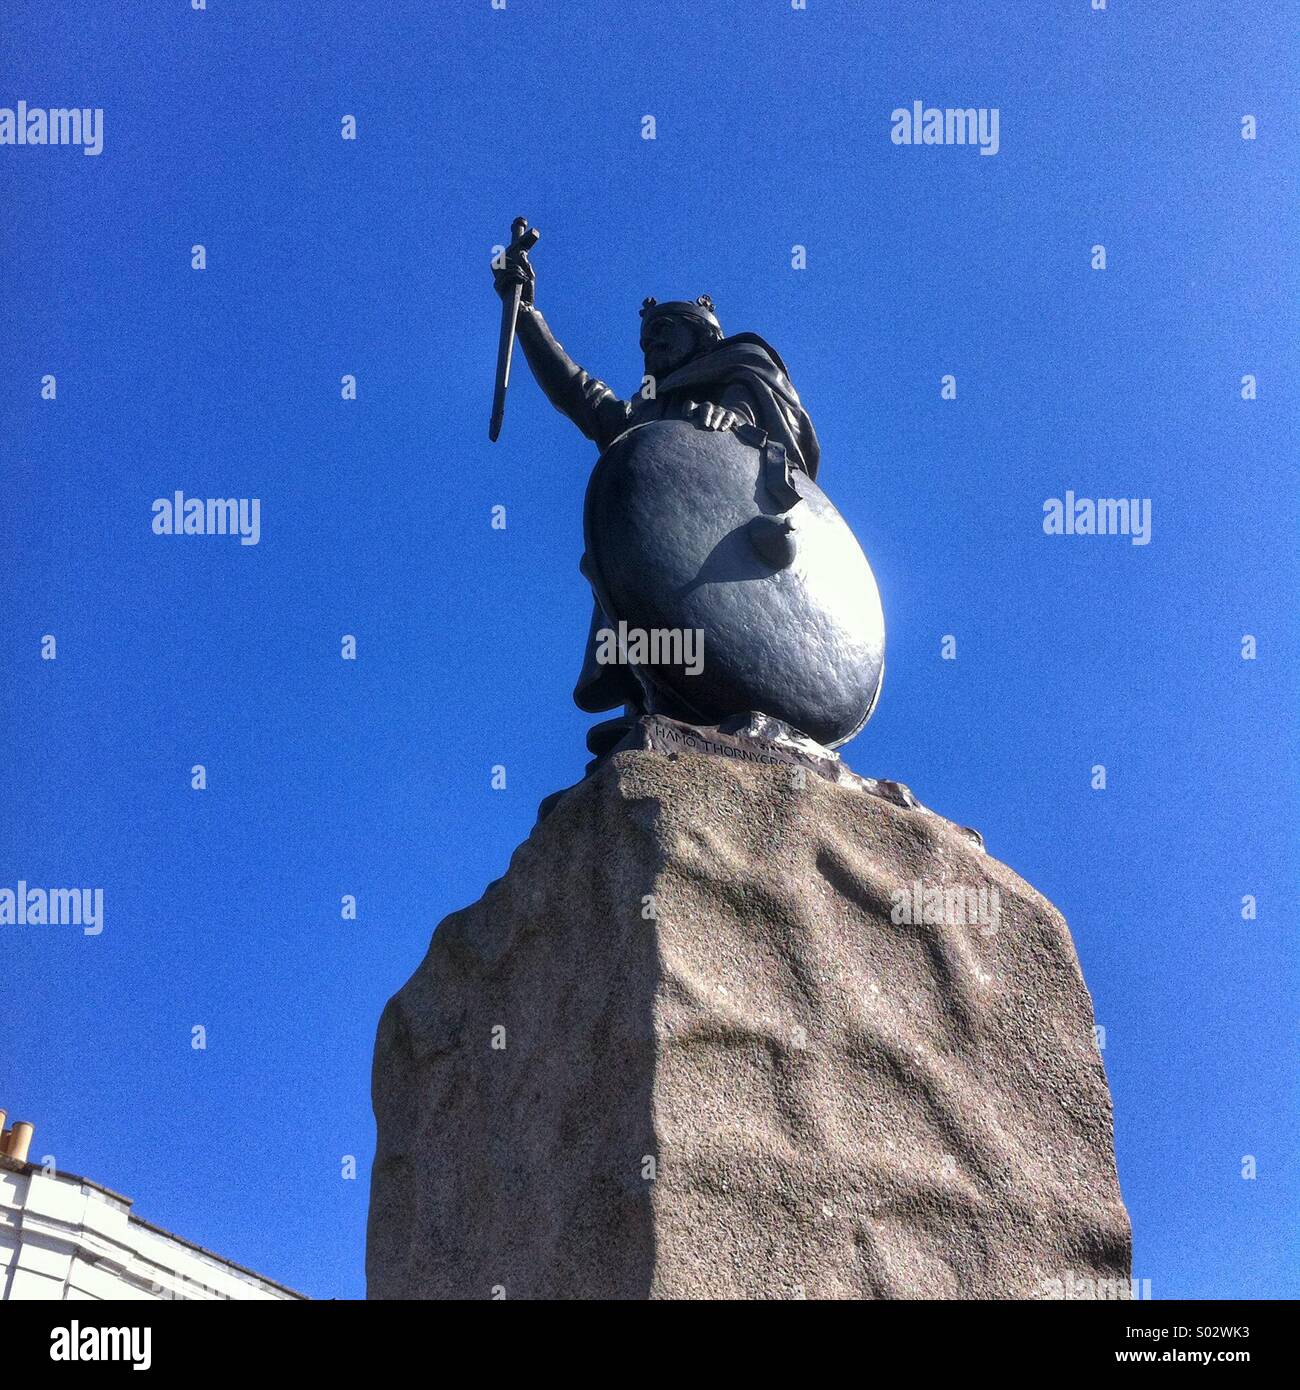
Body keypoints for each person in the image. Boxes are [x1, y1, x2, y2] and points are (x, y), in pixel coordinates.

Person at [493, 246, 821, 749]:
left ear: (703, 335)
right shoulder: (649, 416)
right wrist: (527, 318)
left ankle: (714, 711)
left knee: (709, 618)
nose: (653, 344)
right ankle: (654, 706)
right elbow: (582, 395)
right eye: (647, 339)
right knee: (625, 566)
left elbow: (777, 436)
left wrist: (737, 429)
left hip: (733, 550)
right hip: (663, 546)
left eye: (667, 330)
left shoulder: (743, 370)